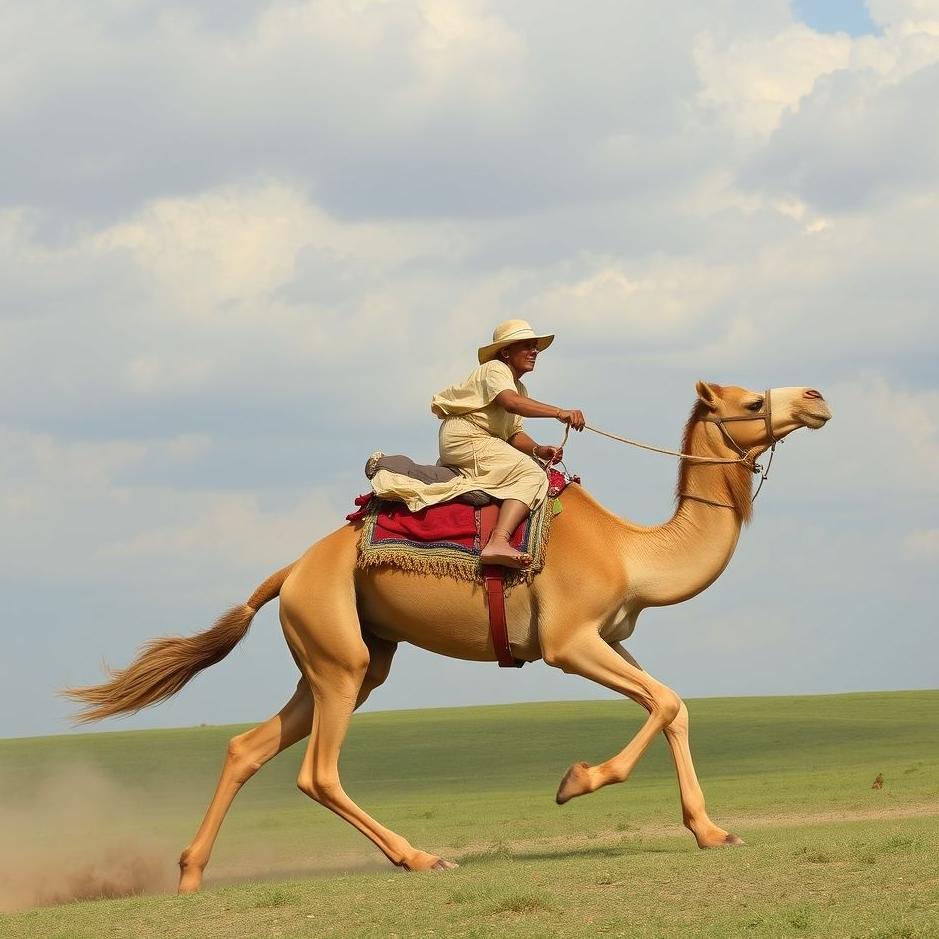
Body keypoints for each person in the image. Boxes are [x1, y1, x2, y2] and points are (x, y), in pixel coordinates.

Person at [369, 320, 586, 568]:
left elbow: (513, 433)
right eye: (527, 346)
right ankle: (498, 541)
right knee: (532, 475)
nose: (534, 352)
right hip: (467, 437)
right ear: (506, 352)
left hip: (477, 441)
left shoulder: (519, 387)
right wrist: (559, 412)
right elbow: (510, 403)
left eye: (535, 347)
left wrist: (538, 449)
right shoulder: (495, 369)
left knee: (530, 466)